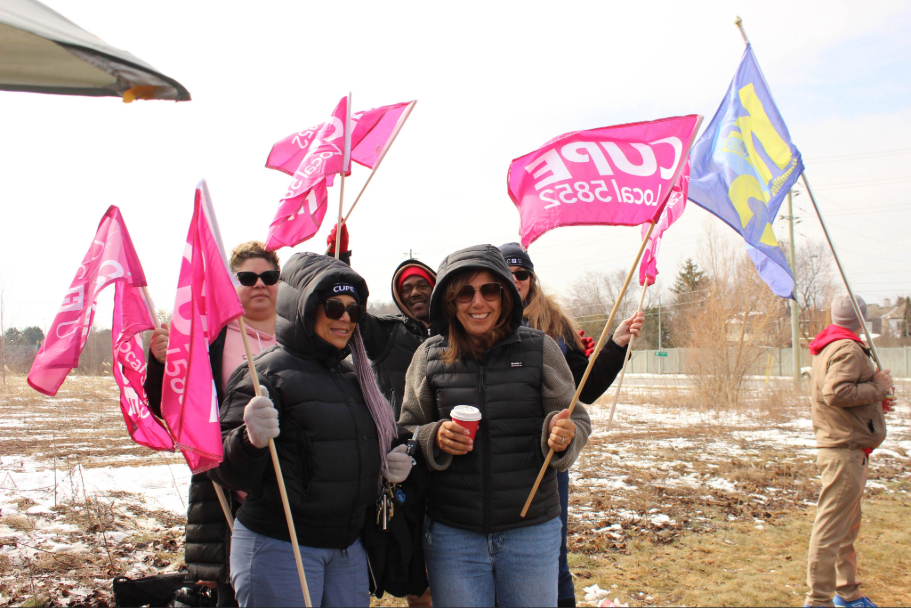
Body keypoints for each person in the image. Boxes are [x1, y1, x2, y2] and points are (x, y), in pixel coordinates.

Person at [208, 252, 414, 607]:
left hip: (347, 547)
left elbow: (376, 437)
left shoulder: (357, 377)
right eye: (333, 307)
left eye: (355, 310)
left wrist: (396, 456)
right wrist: (249, 439)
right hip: (280, 545)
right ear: (302, 308)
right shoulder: (264, 375)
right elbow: (221, 468)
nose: (345, 318)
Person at [400, 244, 590, 607]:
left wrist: (563, 434)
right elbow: (406, 429)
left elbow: (575, 418)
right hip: (453, 535)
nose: (478, 302)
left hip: (530, 530)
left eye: (490, 290)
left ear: (505, 296)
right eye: (465, 292)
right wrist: (433, 437)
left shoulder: (539, 349)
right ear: (449, 300)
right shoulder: (428, 356)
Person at [498, 242, 643, 607]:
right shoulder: (479, 320)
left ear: (532, 279)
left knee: (553, 555)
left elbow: (585, 388)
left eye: (522, 274)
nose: (515, 280)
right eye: (506, 273)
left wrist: (616, 345)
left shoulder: (554, 325)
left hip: (548, 458)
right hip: (493, 459)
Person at [144, 241, 281, 608]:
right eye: (247, 278)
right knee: (236, 590)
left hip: (293, 487)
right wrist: (161, 363)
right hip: (228, 487)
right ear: (230, 286)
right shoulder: (209, 338)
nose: (259, 284)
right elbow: (170, 405)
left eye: (269, 276)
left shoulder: (299, 333)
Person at [804, 295, 893, 608]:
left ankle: (847, 593)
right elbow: (837, 392)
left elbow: (844, 393)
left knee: (845, 528)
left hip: (848, 447)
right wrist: (878, 387)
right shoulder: (847, 348)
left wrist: (876, 400)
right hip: (843, 450)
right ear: (862, 318)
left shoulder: (833, 345)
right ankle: (818, 601)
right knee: (831, 529)